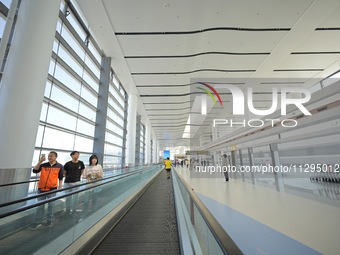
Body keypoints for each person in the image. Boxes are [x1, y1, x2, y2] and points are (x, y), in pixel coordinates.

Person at [31, 151, 64, 229]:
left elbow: (61, 177)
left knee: (51, 206)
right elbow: (35, 170)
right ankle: (38, 222)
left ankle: (49, 221)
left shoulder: (60, 166)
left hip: (52, 189)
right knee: (40, 206)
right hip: (41, 188)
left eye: (51, 156)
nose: (49, 157)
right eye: (49, 156)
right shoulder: (43, 165)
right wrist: (40, 161)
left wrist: (60, 186)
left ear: (56, 157)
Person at [63, 151, 85, 215]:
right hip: (68, 182)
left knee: (75, 197)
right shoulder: (67, 164)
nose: (77, 156)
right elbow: (64, 173)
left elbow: (82, 171)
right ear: (72, 155)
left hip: (77, 182)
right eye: (75, 155)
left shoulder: (81, 163)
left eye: (78, 155)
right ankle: (67, 210)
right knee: (68, 197)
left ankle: (74, 210)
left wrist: (78, 177)